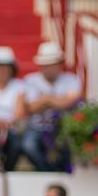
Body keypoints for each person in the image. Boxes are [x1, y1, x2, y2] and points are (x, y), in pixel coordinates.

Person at [22, 41, 81, 172]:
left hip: (63, 126)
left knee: (67, 148)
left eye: (50, 64)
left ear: (59, 64)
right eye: (44, 65)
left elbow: (70, 102)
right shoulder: (30, 80)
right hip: (36, 127)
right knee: (28, 146)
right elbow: (31, 108)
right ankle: (48, 171)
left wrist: (46, 99)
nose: (46, 68)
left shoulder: (71, 79)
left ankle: (57, 171)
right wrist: (58, 101)